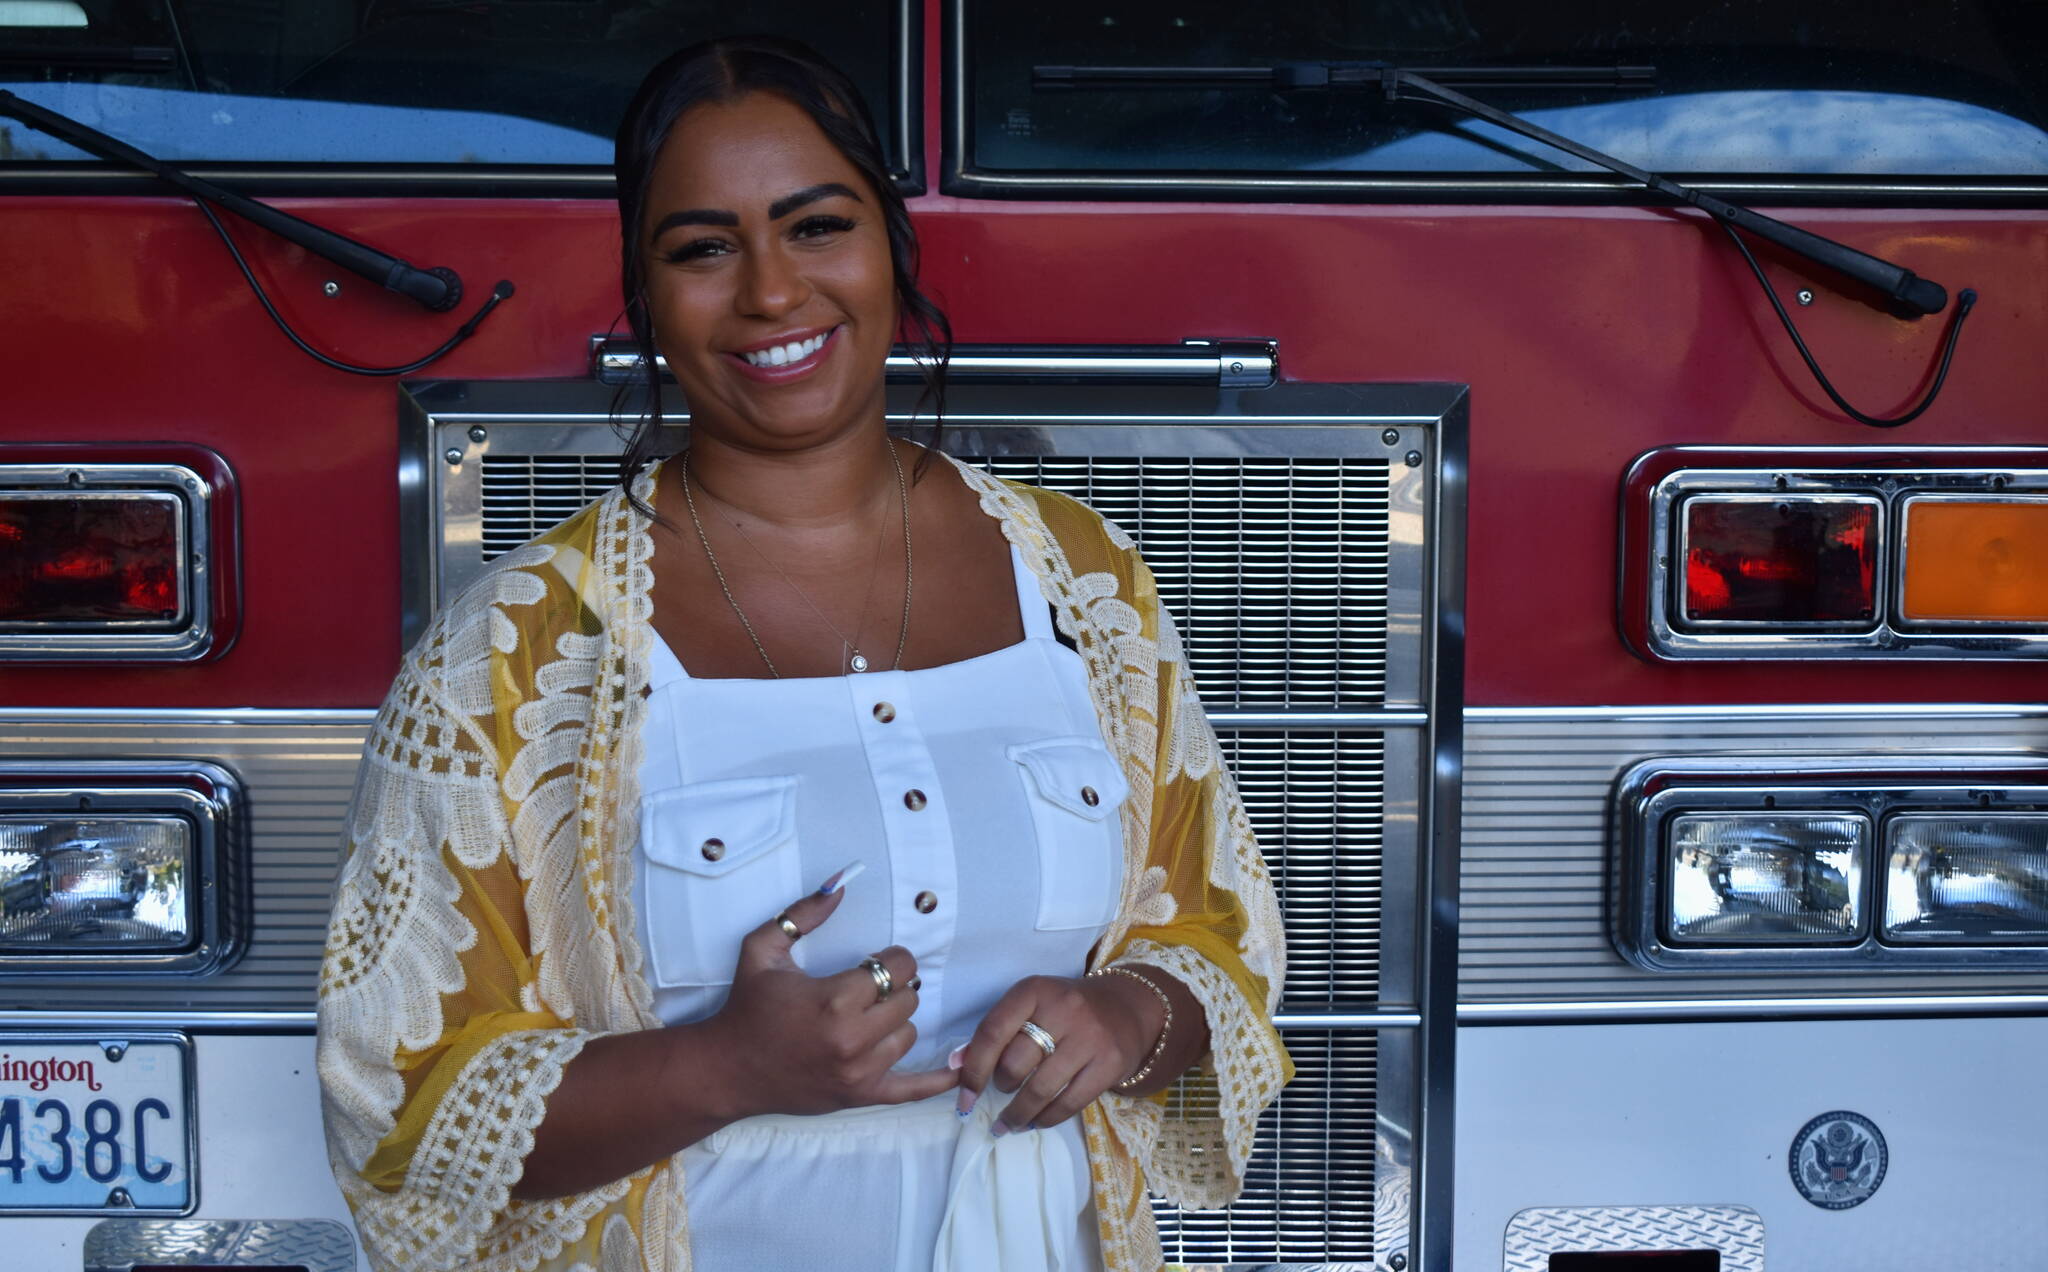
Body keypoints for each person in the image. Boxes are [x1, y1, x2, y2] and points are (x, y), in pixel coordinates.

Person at [316, 35, 1291, 1272]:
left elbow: (1218, 939)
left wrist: (1129, 1012)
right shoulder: (514, 648)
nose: (772, 293)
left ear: (891, 248)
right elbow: (397, 1113)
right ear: (644, 297)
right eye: (703, 248)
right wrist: (716, 1067)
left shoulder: (1078, 579)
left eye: (817, 226)